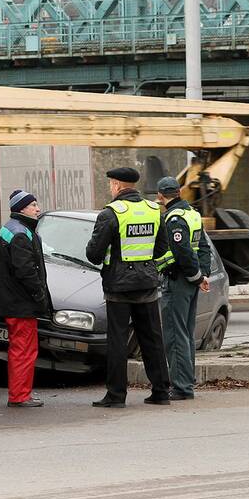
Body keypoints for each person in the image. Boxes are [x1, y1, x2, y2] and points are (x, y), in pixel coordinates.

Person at [85, 167, 171, 408]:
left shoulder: (111, 213)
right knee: (153, 339)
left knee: (118, 342)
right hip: (147, 284)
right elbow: (161, 248)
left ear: (117, 186)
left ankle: (116, 395)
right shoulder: (153, 210)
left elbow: (93, 254)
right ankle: (161, 391)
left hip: (118, 287)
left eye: (111, 184)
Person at [154, 176, 213, 400]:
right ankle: (186, 381)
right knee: (186, 333)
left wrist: (197, 276)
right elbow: (204, 248)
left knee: (175, 335)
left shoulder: (174, 218)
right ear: (178, 192)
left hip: (177, 281)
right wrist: (202, 275)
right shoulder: (192, 214)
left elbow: (183, 252)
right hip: (189, 282)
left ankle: (181, 387)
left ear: (161, 195)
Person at [0, 189, 50, 408]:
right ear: (21, 208)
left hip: (15, 302)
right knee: (24, 351)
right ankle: (19, 396)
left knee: (21, 349)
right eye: (33, 205)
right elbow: (26, 271)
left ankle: (20, 394)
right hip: (22, 304)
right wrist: (39, 296)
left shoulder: (13, 229)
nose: (38, 209)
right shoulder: (21, 233)